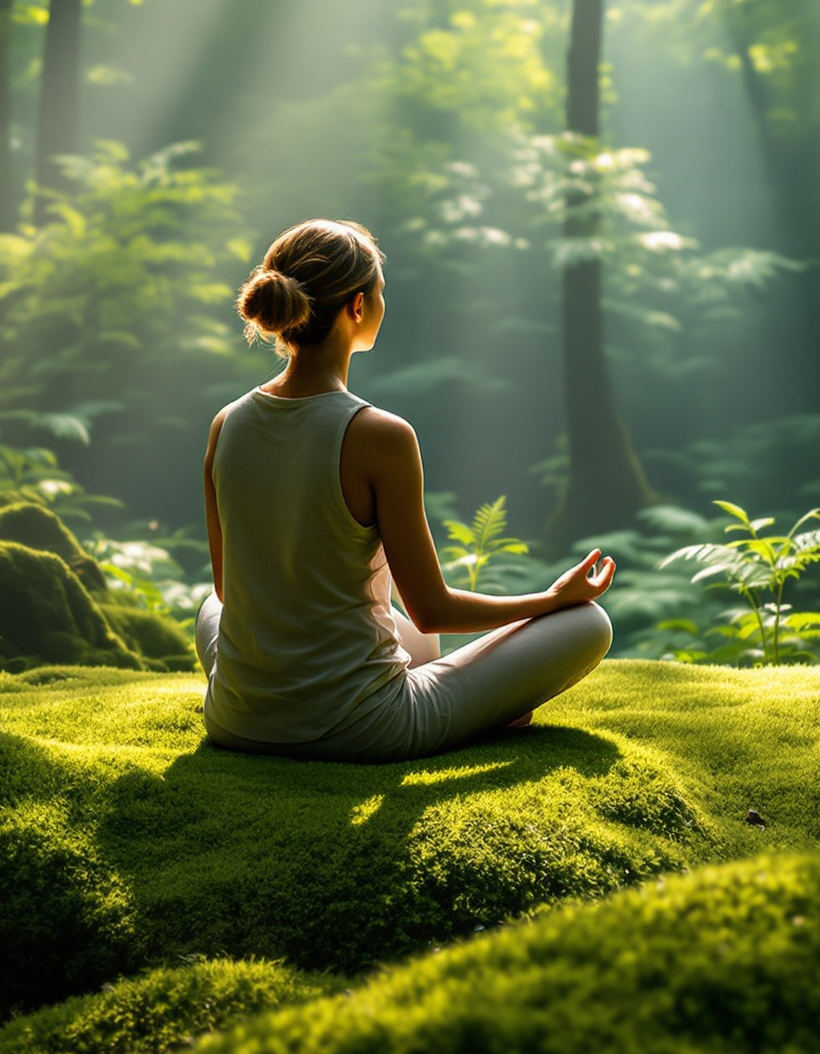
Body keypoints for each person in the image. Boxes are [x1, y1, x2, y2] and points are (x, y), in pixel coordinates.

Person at [195, 218, 614, 761]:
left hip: (236, 719)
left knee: (211, 605)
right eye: (381, 292)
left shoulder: (227, 423)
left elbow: (230, 590)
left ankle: (271, 702)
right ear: (357, 307)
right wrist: (553, 600)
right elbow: (431, 609)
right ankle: (485, 708)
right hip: (361, 727)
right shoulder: (379, 435)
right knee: (588, 624)